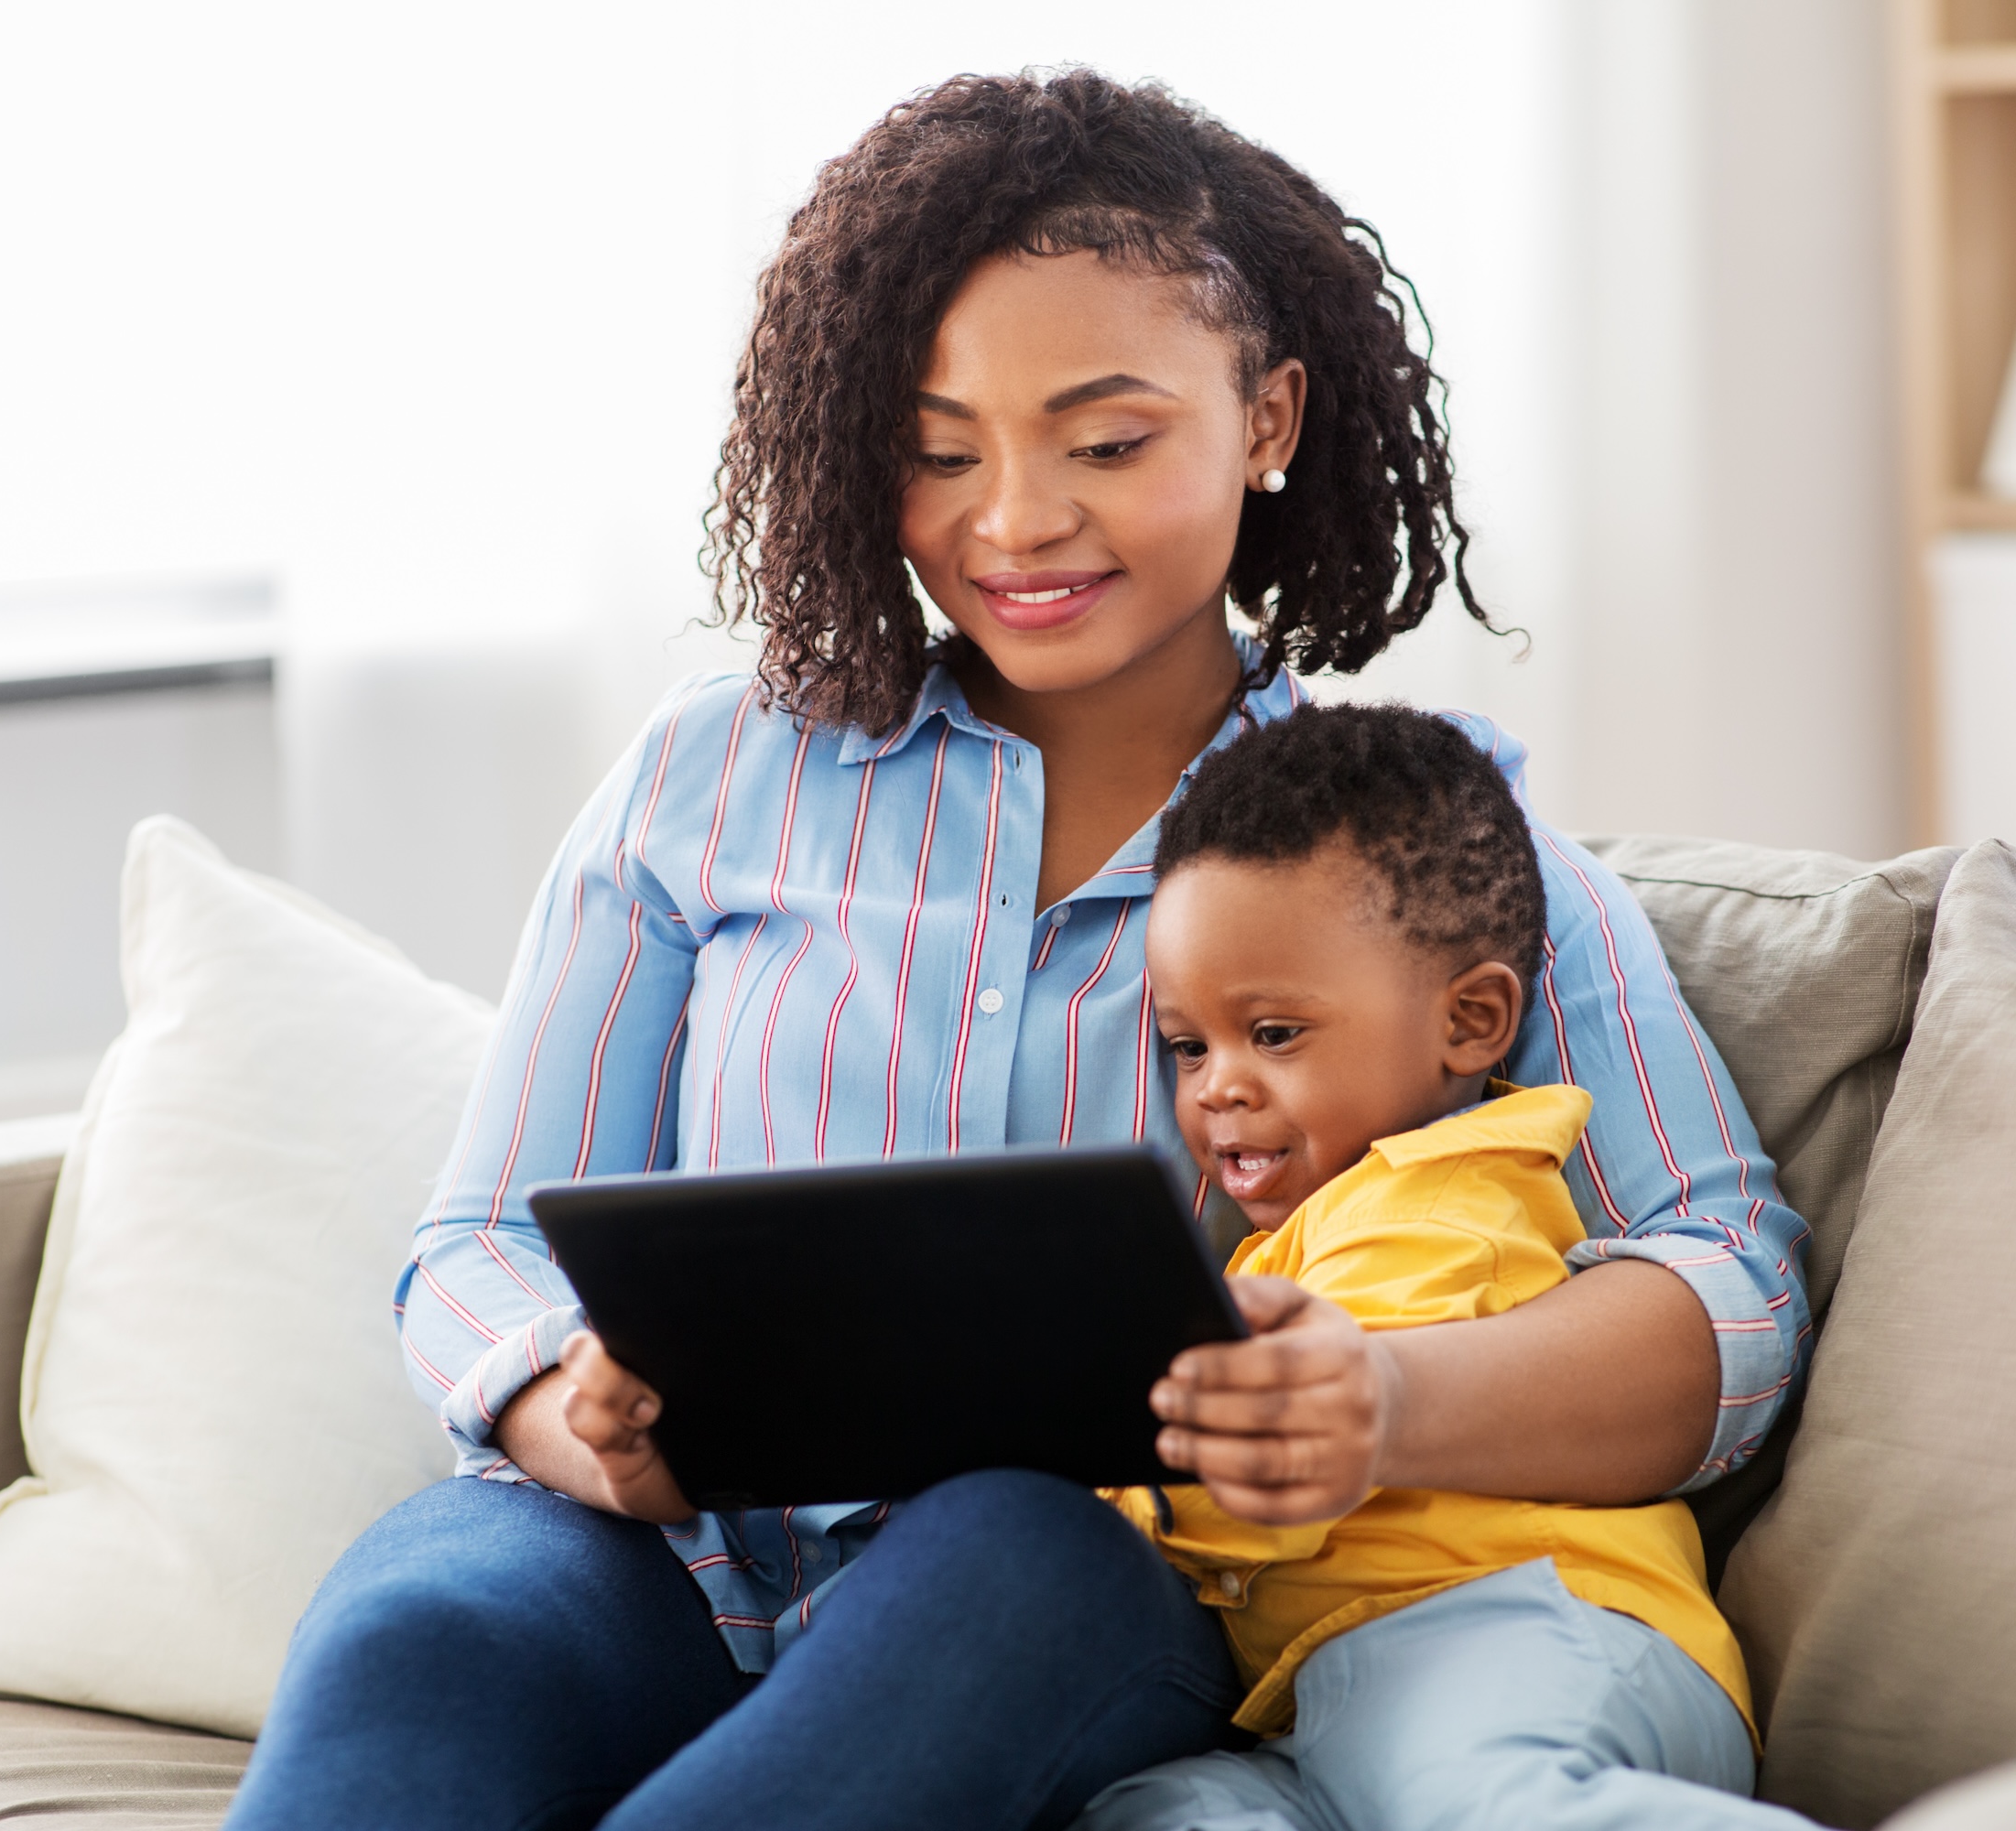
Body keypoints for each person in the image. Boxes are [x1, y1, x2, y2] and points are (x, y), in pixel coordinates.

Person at [224, 70, 1810, 1831]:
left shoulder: (1428, 855)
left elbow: (1730, 1279)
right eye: (938, 448)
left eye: (1107, 443)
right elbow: (479, 1239)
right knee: (419, 1634)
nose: (1014, 523)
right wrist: (557, 1404)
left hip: (1072, 1590)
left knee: (996, 1528)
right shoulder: (706, 775)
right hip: (665, 1559)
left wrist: (1383, 1397)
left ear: (1267, 416)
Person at [1075, 702, 1805, 1831]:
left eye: (1272, 1033)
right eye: (1189, 1044)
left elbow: (1268, 1491)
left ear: (1470, 1022)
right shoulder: (1299, 1235)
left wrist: (1082, 1479)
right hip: (1329, 1694)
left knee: (1486, 1804)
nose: (1217, 1085)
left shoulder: (1440, 1196)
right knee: (1162, 1809)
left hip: (1520, 1628)